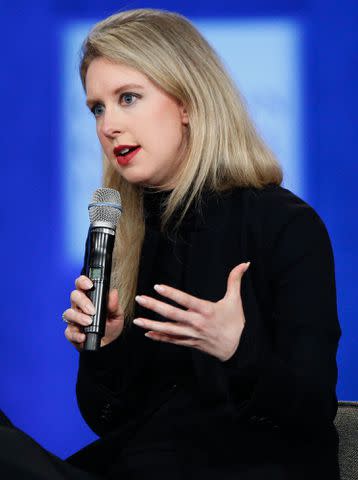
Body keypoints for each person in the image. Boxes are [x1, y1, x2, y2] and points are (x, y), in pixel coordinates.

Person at [0, 8, 341, 480]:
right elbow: (110, 421)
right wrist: (108, 350)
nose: (108, 125)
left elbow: (313, 411)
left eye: (128, 98)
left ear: (187, 103)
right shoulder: (117, 233)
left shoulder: (285, 224)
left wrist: (235, 348)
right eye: (97, 107)